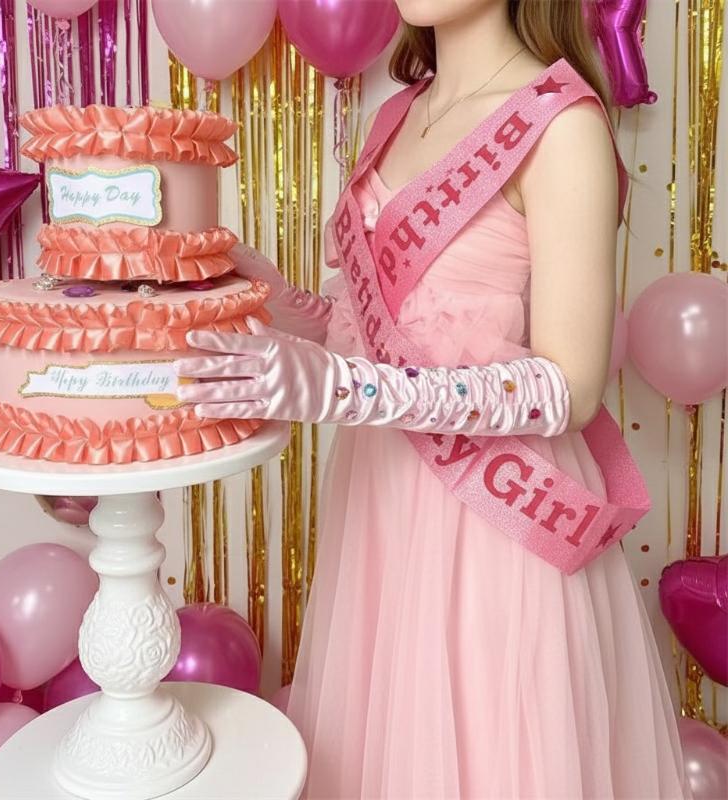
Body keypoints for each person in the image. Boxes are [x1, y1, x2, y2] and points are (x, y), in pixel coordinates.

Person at [175, 1, 693, 797]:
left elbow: (571, 387)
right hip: (382, 503)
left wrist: (339, 386)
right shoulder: (392, 116)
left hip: (493, 527)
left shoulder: (562, 125)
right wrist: (281, 302)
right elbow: (383, 330)